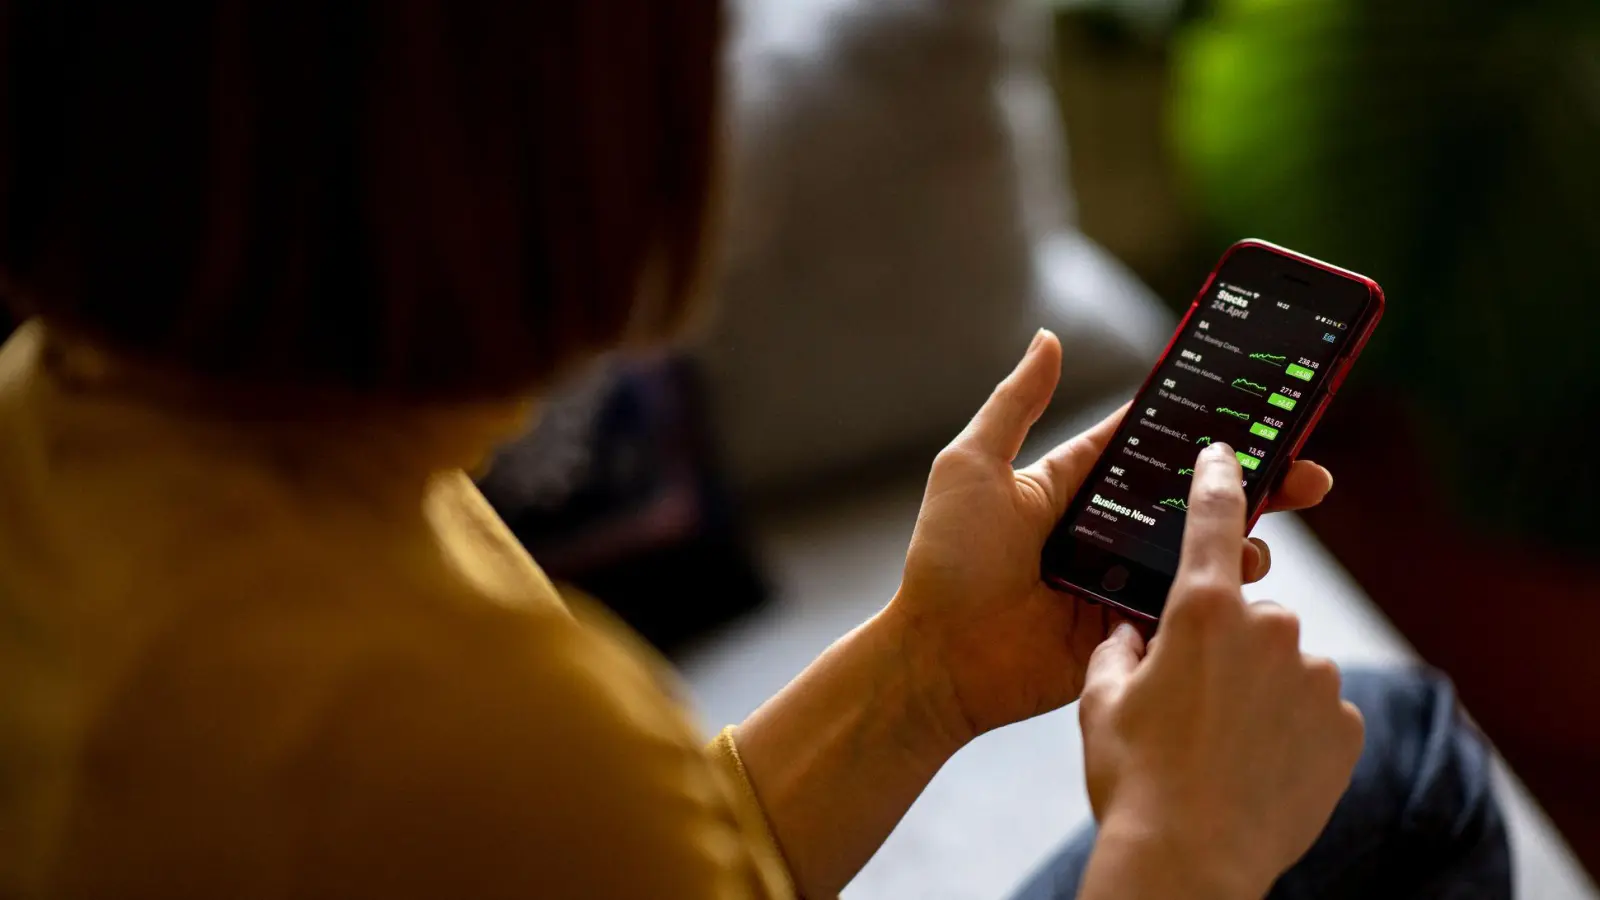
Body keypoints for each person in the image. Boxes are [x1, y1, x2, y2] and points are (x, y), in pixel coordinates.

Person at [0, 2, 1507, 898]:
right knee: (1410, 769)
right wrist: (1179, 850)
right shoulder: (455, 730)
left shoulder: (73, 416)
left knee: (1390, 748)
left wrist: (930, 668)